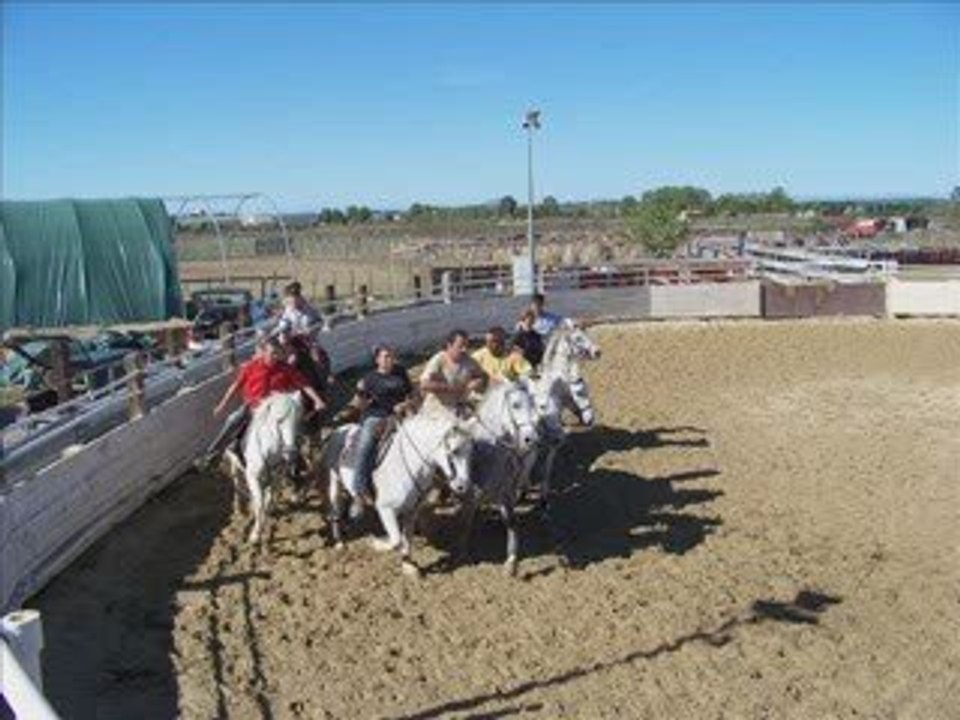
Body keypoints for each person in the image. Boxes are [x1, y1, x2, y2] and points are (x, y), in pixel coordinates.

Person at [203, 335, 324, 467]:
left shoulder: (286, 368)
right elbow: (236, 386)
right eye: (272, 353)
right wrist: (222, 405)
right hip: (254, 405)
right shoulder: (251, 366)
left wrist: (317, 400)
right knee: (233, 419)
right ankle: (212, 453)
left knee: (295, 425)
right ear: (264, 352)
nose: (275, 356)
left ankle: (300, 456)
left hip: (277, 407)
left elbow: (303, 384)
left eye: (277, 353)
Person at [350, 344, 416, 516]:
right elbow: (359, 405)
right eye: (385, 356)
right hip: (376, 417)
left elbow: (412, 394)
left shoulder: (400, 372)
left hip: (401, 416)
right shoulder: (370, 379)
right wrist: (359, 391)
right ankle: (359, 491)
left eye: (391, 356)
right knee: (365, 446)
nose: (389, 359)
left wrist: (406, 404)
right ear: (377, 359)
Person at [419, 329, 487, 415]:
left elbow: (481, 376)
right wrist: (448, 387)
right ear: (449, 345)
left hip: (459, 407)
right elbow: (424, 384)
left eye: (466, 346)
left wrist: (476, 383)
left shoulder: (469, 360)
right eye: (460, 346)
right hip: (438, 409)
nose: (464, 349)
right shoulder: (439, 359)